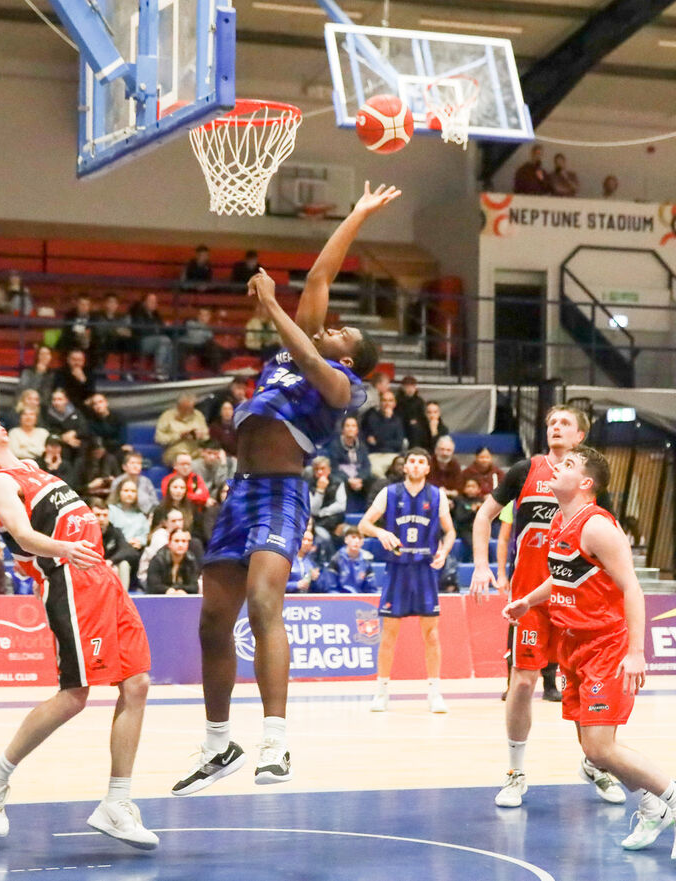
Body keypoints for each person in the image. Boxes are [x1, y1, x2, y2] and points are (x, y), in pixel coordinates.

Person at [170, 182, 389, 797]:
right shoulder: (298, 352)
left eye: (343, 334)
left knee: (265, 603)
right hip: (239, 494)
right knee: (212, 622)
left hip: (282, 496)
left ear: (354, 357)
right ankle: (219, 745)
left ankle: (276, 741)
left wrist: (271, 306)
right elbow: (320, 277)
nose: (333, 329)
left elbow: (309, 350)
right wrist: (356, 214)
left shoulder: (343, 385)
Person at [503, 446, 676, 861]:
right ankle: (652, 806)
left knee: (600, 748)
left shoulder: (597, 525)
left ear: (586, 483)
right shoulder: (558, 522)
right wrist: (529, 601)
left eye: (567, 465)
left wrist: (636, 653)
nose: (555, 466)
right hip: (573, 646)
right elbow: (564, 577)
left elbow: (633, 587)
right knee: (591, 746)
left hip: (606, 644)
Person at [0, 426, 156, 849]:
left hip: (101, 575)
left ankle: (117, 803)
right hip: (69, 578)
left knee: (138, 683)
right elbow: (20, 534)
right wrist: (62, 549)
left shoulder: (31, 467)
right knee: (75, 694)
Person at [469, 404, 625, 808]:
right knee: (522, 682)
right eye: (550, 422)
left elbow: (612, 535)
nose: (555, 427)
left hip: (576, 599)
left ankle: (596, 763)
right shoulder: (525, 471)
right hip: (531, 600)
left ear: (580, 437)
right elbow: (484, 516)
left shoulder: (586, 484)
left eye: (564, 423)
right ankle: (515, 772)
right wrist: (483, 566)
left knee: (581, 686)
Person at [359, 447, 455, 714]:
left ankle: (435, 692)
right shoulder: (389, 493)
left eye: (420, 462)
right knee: (388, 634)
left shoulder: (437, 496)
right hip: (397, 570)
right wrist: (379, 533)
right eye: (411, 461)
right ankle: (381, 691)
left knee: (431, 635)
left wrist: (445, 550)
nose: (415, 465)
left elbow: (450, 532)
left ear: (427, 468)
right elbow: (364, 525)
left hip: (425, 570)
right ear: (405, 467)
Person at [90, 497, 138, 590]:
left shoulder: (115, 532)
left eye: (105, 515)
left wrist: (111, 561)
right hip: (91, 568)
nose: (102, 519)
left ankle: (124, 598)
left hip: (111, 567)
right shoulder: (85, 532)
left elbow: (129, 550)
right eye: (98, 515)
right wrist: (102, 565)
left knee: (124, 564)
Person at [327, 415, 373, 509]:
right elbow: (333, 468)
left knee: (374, 480)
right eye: (347, 426)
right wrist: (348, 479)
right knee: (336, 481)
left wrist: (359, 478)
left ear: (357, 430)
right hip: (341, 477)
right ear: (343, 429)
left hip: (358, 477)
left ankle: (370, 511)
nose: (350, 429)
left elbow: (367, 466)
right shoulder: (334, 446)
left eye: (353, 426)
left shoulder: (362, 446)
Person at [155, 392, 210, 465]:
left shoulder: (198, 415)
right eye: (186, 408)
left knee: (211, 458)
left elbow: (207, 436)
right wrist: (179, 436)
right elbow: (159, 439)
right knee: (187, 462)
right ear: (179, 406)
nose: (189, 411)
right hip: (175, 453)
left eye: (191, 408)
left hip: (195, 451)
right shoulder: (167, 416)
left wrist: (201, 435)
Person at [129, 292, 174, 381]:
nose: (154, 303)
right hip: (140, 341)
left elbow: (161, 328)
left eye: (155, 301)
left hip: (156, 340)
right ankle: (159, 371)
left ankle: (165, 373)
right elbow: (141, 330)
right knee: (164, 340)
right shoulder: (138, 313)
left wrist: (164, 327)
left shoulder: (156, 315)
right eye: (151, 301)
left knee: (167, 343)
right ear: (144, 302)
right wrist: (156, 329)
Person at [361, 389, 405, 475]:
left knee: (401, 469)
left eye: (390, 400)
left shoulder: (398, 420)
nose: (387, 403)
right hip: (376, 454)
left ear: (394, 404)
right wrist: (387, 419)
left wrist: (378, 442)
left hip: (392, 455)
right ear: (380, 403)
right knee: (375, 470)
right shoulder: (372, 417)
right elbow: (372, 439)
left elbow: (399, 443)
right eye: (384, 400)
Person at [146, 528, 201, 595]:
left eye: (184, 541)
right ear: (169, 543)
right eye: (176, 541)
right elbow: (153, 586)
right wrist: (167, 590)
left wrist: (181, 590)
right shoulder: (158, 560)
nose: (180, 545)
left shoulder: (191, 560)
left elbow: (194, 587)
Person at [326, 526, 376, 593]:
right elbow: (331, 588)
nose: (357, 541)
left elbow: (371, 589)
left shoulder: (366, 561)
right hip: (339, 599)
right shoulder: (336, 559)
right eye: (353, 537)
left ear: (363, 542)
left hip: (359, 600)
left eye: (360, 538)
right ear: (346, 540)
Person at [178, 307, 227, 375]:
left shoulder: (208, 329)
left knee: (221, 351)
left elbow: (208, 340)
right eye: (201, 315)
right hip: (187, 345)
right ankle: (180, 376)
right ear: (198, 316)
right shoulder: (190, 323)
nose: (203, 317)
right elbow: (195, 338)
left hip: (201, 347)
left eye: (206, 315)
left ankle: (216, 371)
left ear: (209, 317)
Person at [86, 393, 126, 457]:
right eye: (95, 404)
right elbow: (94, 439)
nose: (98, 405)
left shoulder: (118, 417)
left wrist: (106, 445)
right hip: (99, 450)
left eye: (100, 402)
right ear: (92, 407)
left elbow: (122, 439)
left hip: (117, 450)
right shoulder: (91, 421)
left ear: (106, 403)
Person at [395, 375, 429, 450]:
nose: (410, 389)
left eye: (412, 386)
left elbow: (423, 417)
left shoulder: (419, 401)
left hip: (416, 428)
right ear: (403, 388)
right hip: (402, 426)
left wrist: (416, 421)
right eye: (407, 387)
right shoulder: (398, 401)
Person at [285, 525, 321, 593]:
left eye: (309, 540)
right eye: (304, 539)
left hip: (306, 600)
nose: (306, 542)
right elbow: (276, 584)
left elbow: (319, 590)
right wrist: (295, 585)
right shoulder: (287, 559)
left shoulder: (312, 562)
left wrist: (315, 580)